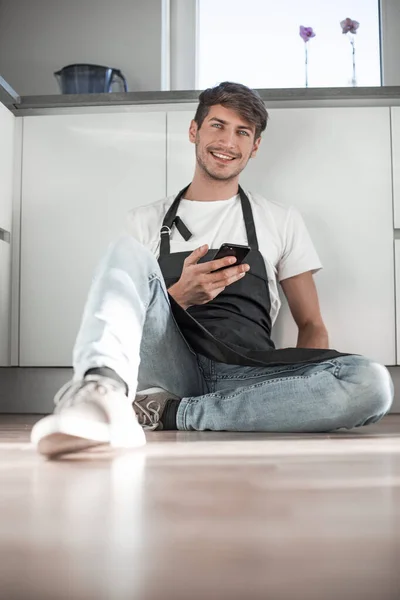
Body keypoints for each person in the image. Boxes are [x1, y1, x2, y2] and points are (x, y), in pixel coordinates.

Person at [31, 82, 394, 458]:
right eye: (217, 126)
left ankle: (166, 414)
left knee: (371, 383)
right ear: (194, 131)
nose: (228, 142)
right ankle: (100, 395)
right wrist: (178, 298)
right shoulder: (145, 220)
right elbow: (127, 318)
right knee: (124, 250)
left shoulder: (281, 220)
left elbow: (312, 324)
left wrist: (300, 391)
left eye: (242, 132)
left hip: (248, 374)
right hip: (170, 368)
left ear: (254, 147)